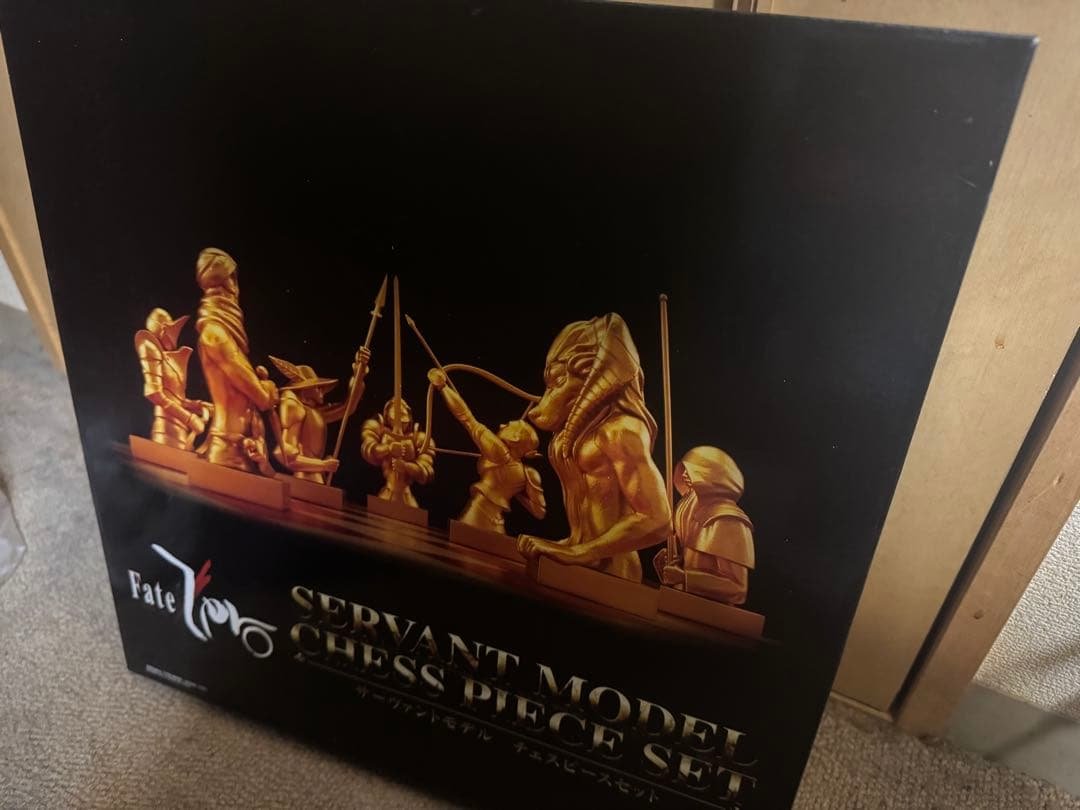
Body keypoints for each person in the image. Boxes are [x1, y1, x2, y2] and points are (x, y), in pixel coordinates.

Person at [517, 314, 670, 582]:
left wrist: (578, 553)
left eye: (558, 381)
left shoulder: (621, 430)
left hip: (615, 574)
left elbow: (658, 519)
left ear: (593, 373)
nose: (548, 396)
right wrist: (571, 547)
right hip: (580, 560)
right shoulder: (574, 434)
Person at [428, 367, 545, 534]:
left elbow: (466, 418)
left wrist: (443, 387)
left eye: (508, 425)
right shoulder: (526, 473)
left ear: (515, 438)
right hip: (497, 523)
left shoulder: (499, 452)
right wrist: (515, 493)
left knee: (463, 544)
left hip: (478, 514)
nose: (502, 425)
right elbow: (539, 511)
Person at [193, 247, 278, 473]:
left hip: (245, 451)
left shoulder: (225, 333)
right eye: (233, 278)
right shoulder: (215, 334)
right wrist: (268, 389)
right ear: (226, 282)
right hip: (227, 452)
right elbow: (261, 397)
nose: (236, 287)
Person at [653, 446, 755, 605]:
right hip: (680, 603)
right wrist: (673, 564)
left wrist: (684, 577)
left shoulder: (730, 521)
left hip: (711, 613)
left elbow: (737, 590)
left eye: (693, 470)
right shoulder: (689, 509)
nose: (684, 475)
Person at [134, 307, 211, 450]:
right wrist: (189, 418)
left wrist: (198, 406)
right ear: (163, 329)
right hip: (164, 432)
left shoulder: (168, 359)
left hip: (180, 433)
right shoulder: (150, 347)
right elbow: (154, 394)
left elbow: (177, 399)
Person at [360, 398, 435, 507]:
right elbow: (368, 449)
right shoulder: (379, 429)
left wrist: (406, 466)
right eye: (395, 414)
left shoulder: (419, 438)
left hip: (407, 498)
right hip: (386, 494)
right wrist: (388, 448)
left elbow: (426, 471)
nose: (399, 419)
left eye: (403, 414)